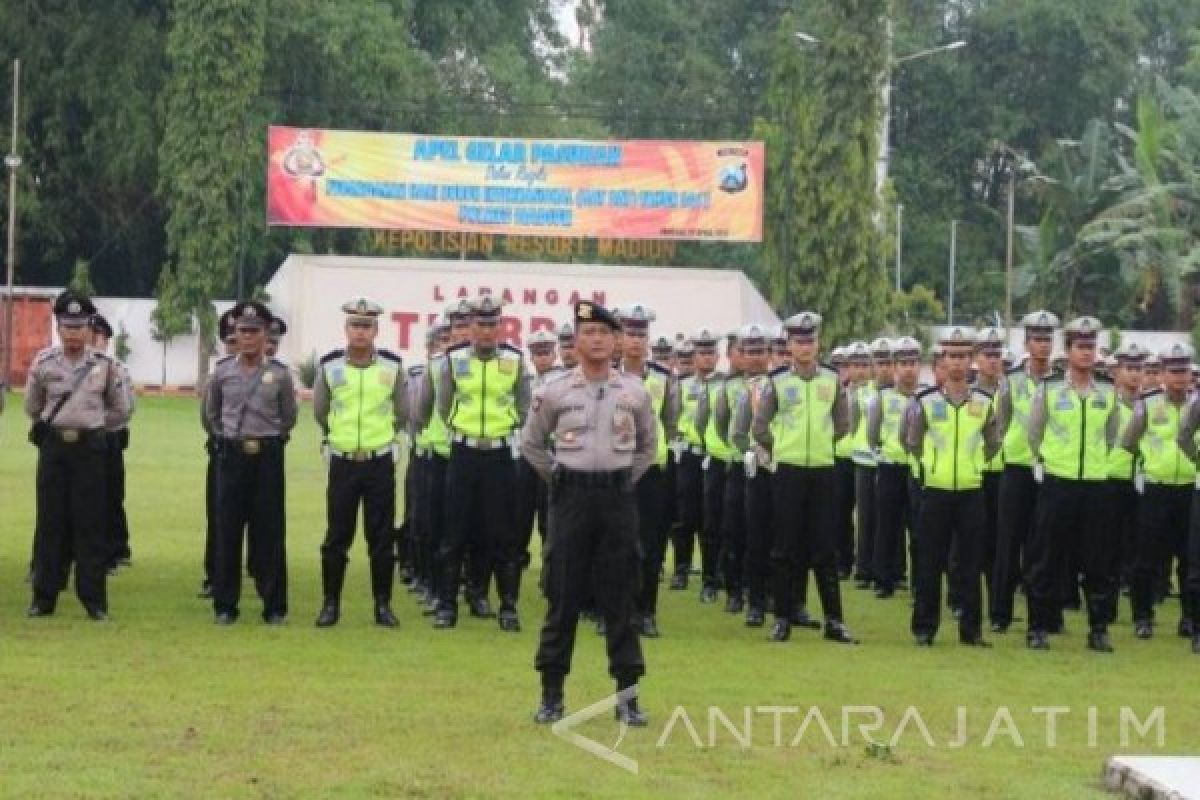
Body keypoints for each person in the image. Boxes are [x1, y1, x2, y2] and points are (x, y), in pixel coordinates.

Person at [526, 301, 656, 727]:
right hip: (571, 501)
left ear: (616, 340)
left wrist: (620, 482)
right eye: (589, 333)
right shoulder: (555, 391)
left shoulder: (634, 392)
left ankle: (628, 697)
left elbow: (647, 449)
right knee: (562, 596)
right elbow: (532, 445)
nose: (597, 340)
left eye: (605, 332)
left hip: (617, 500)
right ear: (576, 340)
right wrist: (562, 480)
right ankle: (551, 695)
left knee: (621, 599)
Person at [751, 311, 858, 645]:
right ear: (789, 344)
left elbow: (843, 424)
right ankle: (782, 618)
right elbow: (760, 427)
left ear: (818, 343)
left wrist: (824, 445)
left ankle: (835, 621)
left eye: (810, 340)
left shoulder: (832, 379)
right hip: (789, 471)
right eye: (799, 341)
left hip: (823, 471)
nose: (805, 347)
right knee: (785, 547)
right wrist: (781, 447)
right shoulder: (778, 381)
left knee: (826, 547)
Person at [25, 291, 130, 620]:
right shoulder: (43, 363)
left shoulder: (105, 367)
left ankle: (94, 600)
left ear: (89, 330)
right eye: (67, 326)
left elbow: (120, 409)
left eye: (79, 326)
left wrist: (95, 426)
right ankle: (44, 598)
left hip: (90, 450)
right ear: (58, 327)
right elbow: (32, 405)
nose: (73, 332)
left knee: (91, 525)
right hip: (55, 449)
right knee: (50, 523)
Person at [432, 295, 530, 631]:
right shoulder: (453, 360)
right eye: (480, 324)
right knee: (454, 531)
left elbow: (523, 405)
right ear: (470, 326)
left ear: (500, 326)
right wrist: (465, 427)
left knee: (503, 533)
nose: (486, 331)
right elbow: (444, 406)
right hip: (464, 453)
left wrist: (505, 426)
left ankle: (508, 607)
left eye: (492, 324)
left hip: (500, 455)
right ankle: (447, 605)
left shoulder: (515, 361)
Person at [312, 297, 409, 628]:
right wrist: (336, 437)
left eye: (367, 326)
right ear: (346, 328)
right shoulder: (330, 367)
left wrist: (380, 438)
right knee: (337, 535)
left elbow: (403, 412)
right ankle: (330, 604)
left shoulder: (392, 368)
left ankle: (383, 605)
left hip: (378, 462)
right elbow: (321, 412)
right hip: (343, 463)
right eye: (355, 325)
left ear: (376, 330)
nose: (361, 332)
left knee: (381, 538)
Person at [1026, 316, 1120, 652]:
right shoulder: (1049, 389)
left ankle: (1098, 629)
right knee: (1047, 558)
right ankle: (1038, 627)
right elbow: (1034, 434)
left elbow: (1111, 435)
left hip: (1095, 485)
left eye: (1091, 347)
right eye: (1080, 347)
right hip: (1058, 483)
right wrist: (1050, 461)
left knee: (1097, 560)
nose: (1087, 353)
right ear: (1067, 351)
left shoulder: (1107, 391)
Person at [906, 327, 1002, 647]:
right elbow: (913, 441)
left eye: (963, 356)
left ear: (972, 360)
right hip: (935, 490)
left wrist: (975, 467)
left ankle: (971, 631)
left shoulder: (985, 403)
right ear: (942, 361)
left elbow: (993, 443)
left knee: (971, 564)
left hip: (971, 491)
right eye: (952, 356)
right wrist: (930, 468)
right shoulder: (926, 401)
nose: (957, 363)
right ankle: (924, 628)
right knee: (929, 563)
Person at [204, 300, 298, 625]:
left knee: (270, 532)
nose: (248, 337)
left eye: (255, 331)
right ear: (235, 333)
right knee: (228, 531)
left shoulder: (280, 374)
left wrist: (271, 438)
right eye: (242, 331)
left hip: (268, 457)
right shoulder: (222, 372)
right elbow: (211, 414)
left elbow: (288, 417)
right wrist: (224, 437)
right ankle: (226, 605)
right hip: (231, 455)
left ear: (264, 334)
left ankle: (274, 606)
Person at [991, 310, 1060, 634]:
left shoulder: (1060, 382)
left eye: (1048, 339)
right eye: (1037, 339)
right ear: (1027, 341)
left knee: (1046, 545)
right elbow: (1001, 422)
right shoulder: (1012, 380)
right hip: (1017, 468)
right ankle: (1001, 613)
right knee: (1008, 542)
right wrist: (1014, 449)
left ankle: (1047, 615)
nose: (1043, 346)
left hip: (1049, 469)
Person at [1125, 343, 1195, 641]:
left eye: (1185, 371)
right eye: (1174, 371)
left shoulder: (1197, 404)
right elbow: (1129, 441)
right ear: (1163, 374)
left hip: (1190, 489)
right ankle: (1143, 616)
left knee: (1190, 559)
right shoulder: (1149, 403)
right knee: (1146, 558)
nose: (1180, 377)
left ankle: (1190, 618)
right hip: (1156, 489)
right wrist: (1150, 461)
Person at [618, 304, 677, 637]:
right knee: (615, 543)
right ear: (620, 337)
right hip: (616, 468)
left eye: (642, 334)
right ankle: (616, 611)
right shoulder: (606, 375)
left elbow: (671, 421)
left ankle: (647, 611)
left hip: (652, 472)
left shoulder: (663, 378)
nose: (636, 341)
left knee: (651, 545)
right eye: (630, 334)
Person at [867, 336, 921, 599]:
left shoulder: (926, 397)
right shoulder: (883, 398)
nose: (909, 368)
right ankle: (883, 580)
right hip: (890, 467)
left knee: (919, 529)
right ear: (895, 366)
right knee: (886, 526)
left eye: (913, 362)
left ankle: (917, 583)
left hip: (916, 469)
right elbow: (872, 433)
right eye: (903, 363)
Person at [725, 323, 771, 623]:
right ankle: (738, 593)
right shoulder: (729, 388)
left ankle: (769, 595)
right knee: (737, 532)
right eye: (749, 351)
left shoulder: (775, 384)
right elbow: (721, 425)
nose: (754, 358)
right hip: (739, 464)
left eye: (760, 351)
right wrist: (746, 453)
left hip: (772, 467)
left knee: (769, 535)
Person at [670, 328, 717, 590]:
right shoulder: (682, 385)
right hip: (688, 454)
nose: (706, 358)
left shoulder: (723, 385)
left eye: (711, 352)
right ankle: (681, 569)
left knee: (711, 518)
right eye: (702, 352)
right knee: (684, 515)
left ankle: (712, 575)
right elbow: (673, 417)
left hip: (712, 455)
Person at [90, 313, 136, 572]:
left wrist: (97, 421)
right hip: (85, 440)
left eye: (100, 337)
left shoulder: (117, 368)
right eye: (93, 335)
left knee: (111, 496)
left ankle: (115, 549)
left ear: (107, 340)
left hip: (110, 438)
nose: (95, 341)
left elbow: (128, 406)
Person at [515, 329, 563, 574]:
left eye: (546, 352)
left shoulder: (563, 380)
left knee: (548, 513)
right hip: (526, 452)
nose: (542, 357)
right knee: (520, 512)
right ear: (531, 356)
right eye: (537, 353)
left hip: (550, 450)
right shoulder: (525, 381)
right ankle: (517, 560)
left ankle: (550, 565)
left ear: (554, 353)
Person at [199, 308, 240, 598]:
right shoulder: (221, 373)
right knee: (219, 517)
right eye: (230, 340)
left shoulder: (270, 371)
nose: (234, 345)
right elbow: (208, 413)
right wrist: (218, 435)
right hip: (223, 450)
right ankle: (216, 575)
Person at [1106, 342, 1144, 614]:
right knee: (1109, 546)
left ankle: (1140, 605)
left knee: (1137, 546)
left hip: (1140, 482)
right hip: (1110, 480)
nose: (1134, 374)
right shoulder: (1108, 402)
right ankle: (1106, 605)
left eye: (1138, 368)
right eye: (1129, 368)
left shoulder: (1149, 405)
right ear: (1117, 372)